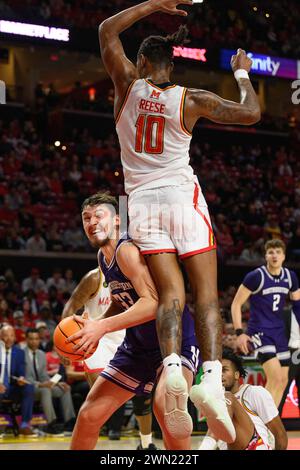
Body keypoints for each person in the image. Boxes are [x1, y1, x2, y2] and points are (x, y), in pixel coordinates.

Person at [98, 0, 260, 442]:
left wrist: (151, 4)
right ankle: (209, 379)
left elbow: (106, 30)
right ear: (170, 64)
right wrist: (242, 73)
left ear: (144, 61)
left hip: (140, 202)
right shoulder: (192, 99)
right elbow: (251, 114)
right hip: (181, 197)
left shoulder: (127, 86)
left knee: (170, 295)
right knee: (206, 295)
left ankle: (171, 366)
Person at [67, 193, 200, 450]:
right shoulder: (103, 258)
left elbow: (152, 303)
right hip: (138, 347)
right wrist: (99, 325)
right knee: (88, 415)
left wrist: (101, 327)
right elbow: (121, 297)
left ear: (117, 220)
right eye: (86, 218)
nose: (91, 222)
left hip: (173, 340)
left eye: (98, 215)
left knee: (165, 408)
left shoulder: (127, 250)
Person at [62, 267, 156, 448]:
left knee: (143, 398)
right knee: (97, 401)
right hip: (97, 341)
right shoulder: (94, 277)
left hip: (127, 337)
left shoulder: (135, 273)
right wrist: (64, 343)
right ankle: (102, 435)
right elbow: (71, 307)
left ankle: (146, 445)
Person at [231, 239, 300, 406]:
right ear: (266, 255)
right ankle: (257, 421)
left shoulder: (290, 277)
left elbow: (297, 306)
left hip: (279, 333)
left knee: (283, 380)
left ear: (284, 256)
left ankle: (268, 424)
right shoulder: (256, 276)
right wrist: (240, 333)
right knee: (275, 377)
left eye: (278, 252)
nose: (274, 255)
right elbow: (236, 304)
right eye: (271, 252)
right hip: (259, 332)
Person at [199, 348, 287, 450]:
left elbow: (280, 434)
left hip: (255, 446)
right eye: (216, 372)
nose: (219, 374)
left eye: (224, 370)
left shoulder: (254, 392)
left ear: (237, 375)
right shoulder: (215, 401)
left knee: (227, 398)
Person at [24, 328, 76, 435]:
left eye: (36, 339)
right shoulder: (21, 354)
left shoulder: (41, 354)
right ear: (26, 340)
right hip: (28, 388)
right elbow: (24, 377)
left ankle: (69, 422)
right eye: (31, 339)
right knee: (45, 391)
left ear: (39, 340)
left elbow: (43, 375)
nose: (34, 341)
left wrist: (56, 383)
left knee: (65, 388)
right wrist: (41, 384)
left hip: (42, 386)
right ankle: (51, 423)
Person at [0, 325, 35, 435]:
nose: (9, 338)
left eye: (11, 336)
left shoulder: (19, 352)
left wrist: (21, 379)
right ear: (0, 337)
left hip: (11, 388)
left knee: (29, 387)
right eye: (6, 336)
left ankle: (24, 424)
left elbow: (20, 373)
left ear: (15, 338)